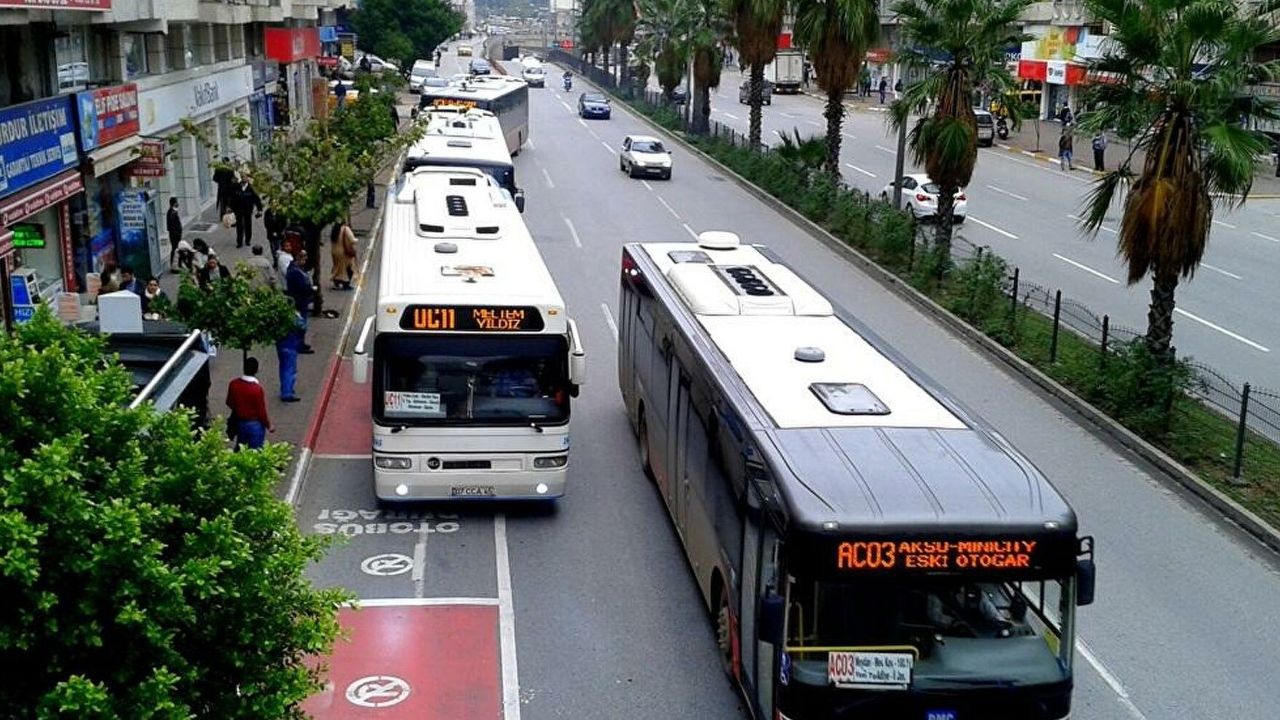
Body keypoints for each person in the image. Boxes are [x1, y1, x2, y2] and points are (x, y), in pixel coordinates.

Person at [225, 357, 273, 450]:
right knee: (256, 451)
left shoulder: (233, 384)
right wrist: (269, 425)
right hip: (255, 424)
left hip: (240, 422)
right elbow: (261, 411)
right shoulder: (257, 389)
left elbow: (229, 402)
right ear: (257, 370)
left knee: (241, 448)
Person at [285, 249, 316, 354]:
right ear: (299, 258)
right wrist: (312, 289)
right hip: (299, 301)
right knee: (300, 324)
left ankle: (301, 343)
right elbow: (302, 287)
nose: (306, 259)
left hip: (299, 300)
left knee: (300, 324)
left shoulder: (295, 269)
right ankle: (299, 345)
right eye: (304, 257)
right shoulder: (296, 272)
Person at [276, 311, 305, 402]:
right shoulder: (293, 318)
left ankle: (285, 388)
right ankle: (287, 393)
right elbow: (303, 327)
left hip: (280, 345)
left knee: (283, 368)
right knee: (290, 369)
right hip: (291, 345)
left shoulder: (278, 317)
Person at [231, 177, 263, 248]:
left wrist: (259, 209)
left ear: (247, 179)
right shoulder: (237, 187)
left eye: (245, 178)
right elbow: (232, 198)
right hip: (238, 210)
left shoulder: (251, 188)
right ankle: (239, 241)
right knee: (239, 225)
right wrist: (230, 208)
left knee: (248, 225)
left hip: (248, 210)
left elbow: (257, 199)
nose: (244, 179)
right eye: (242, 178)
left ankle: (248, 240)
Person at [330, 219, 358, 290]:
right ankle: (346, 283)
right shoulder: (345, 229)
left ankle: (336, 280)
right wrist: (356, 240)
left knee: (337, 267)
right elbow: (352, 240)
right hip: (343, 253)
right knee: (348, 268)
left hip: (334, 252)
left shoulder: (335, 229)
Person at [166, 197, 183, 270]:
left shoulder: (173, 212)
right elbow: (172, 225)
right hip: (174, 235)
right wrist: (177, 233)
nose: (178, 204)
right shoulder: (172, 213)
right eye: (176, 202)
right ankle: (174, 265)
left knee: (176, 249)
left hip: (175, 234)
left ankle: (177, 264)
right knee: (175, 249)